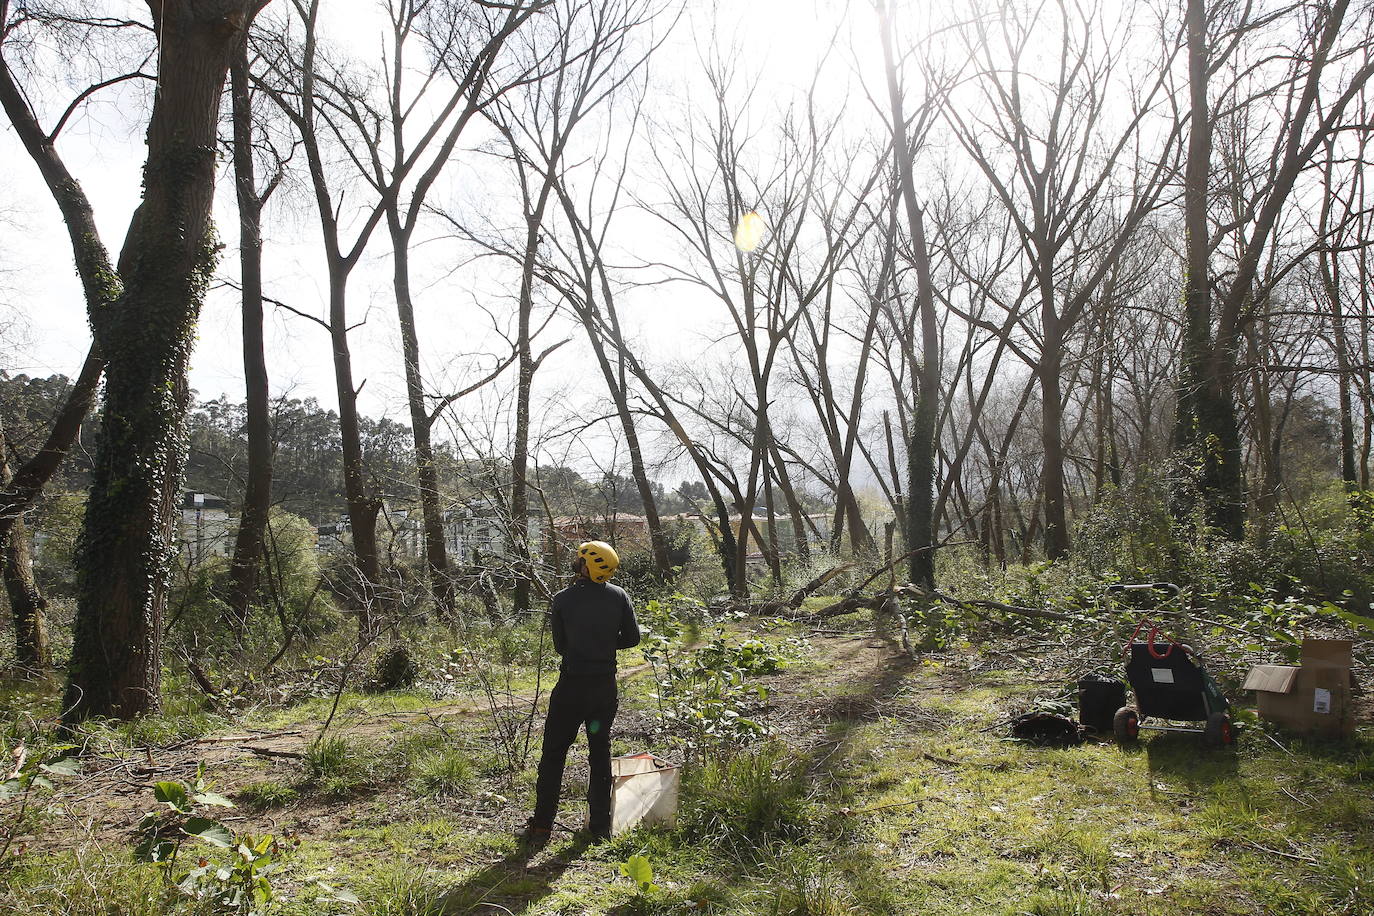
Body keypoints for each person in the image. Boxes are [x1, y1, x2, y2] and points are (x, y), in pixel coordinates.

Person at [523, 540, 640, 845]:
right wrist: (603, 644)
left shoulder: (563, 598)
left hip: (571, 689)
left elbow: (560, 646)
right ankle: (600, 827)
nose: (576, 563)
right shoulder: (619, 597)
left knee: (553, 755)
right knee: (599, 753)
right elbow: (632, 638)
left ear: (587, 566)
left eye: (580, 559)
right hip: (603, 690)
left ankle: (542, 828)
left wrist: (583, 645)